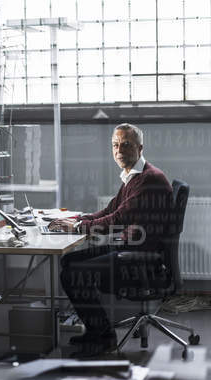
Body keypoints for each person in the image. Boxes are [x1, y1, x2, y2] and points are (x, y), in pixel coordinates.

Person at [49, 123, 174, 356]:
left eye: (125, 145)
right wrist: (80, 219)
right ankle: (95, 331)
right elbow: (111, 208)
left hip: (140, 259)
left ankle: (104, 337)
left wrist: (79, 227)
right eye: (115, 145)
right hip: (129, 248)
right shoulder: (134, 175)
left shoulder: (148, 179)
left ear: (139, 147)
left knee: (72, 273)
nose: (119, 151)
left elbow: (118, 217)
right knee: (68, 261)